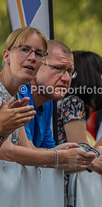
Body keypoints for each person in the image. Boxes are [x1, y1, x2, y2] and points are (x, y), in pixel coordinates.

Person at [0, 27, 96, 170]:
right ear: (6, 55)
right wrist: (62, 156)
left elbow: (28, 151)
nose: (32, 58)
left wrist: (69, 153)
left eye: (39, 54)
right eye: (24, 50)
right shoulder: (21, 96)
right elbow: (7, 152)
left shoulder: (16, 97)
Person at [55, 50, 102, 176]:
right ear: (90, 76)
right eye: (100, 74)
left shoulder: (67, 101)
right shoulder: (74, 102)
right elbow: (84, 156)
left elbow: (88, 158)